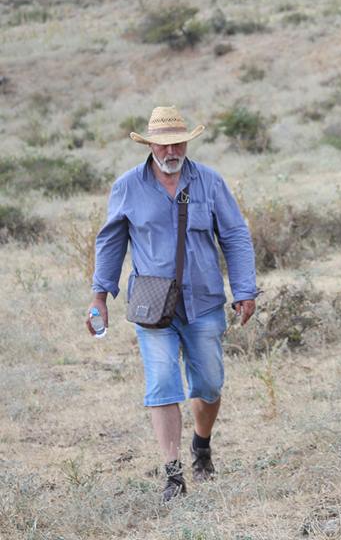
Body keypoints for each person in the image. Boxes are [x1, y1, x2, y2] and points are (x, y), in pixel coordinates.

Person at [86, 106, 258, 502]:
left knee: (209, 385)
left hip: (205, 303)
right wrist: (99, 297)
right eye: (162, 144)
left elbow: (235, 235)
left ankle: (201, 443)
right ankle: (173, 473)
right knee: (163, 385)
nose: (171, 150)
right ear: (150, 145)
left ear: (187, 142)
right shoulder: (128, 186)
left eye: (178, 142)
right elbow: (110, 241)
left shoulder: (210, 182)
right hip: (154, 307)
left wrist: (245, 289)